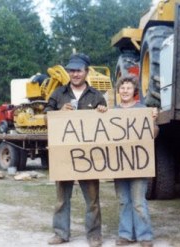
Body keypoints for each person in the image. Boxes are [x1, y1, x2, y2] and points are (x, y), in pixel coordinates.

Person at [46, 53, 107, 247]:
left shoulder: (97, 96)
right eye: (72, 70)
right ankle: (61, 233)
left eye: (79, 70)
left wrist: (103, 113)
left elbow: (107, 126)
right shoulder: (58, 93)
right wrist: (58, 113)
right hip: (64, 153)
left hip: (89, 155)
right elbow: (46, 117)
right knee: (62, 198)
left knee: (92, 199)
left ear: (86, 72)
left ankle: (94, 235)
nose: (75, 74)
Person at [114, 75, 158, 247]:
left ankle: (144, 236)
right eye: (122, 88)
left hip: (138, 164)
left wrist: (152, 121)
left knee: (139, 202)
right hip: (118, 165)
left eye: (128, 88)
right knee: (124, 201)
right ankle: (125, 234)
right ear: (118, 91)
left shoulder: (143, 110)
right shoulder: (112, 112)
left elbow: (153, 134)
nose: (125, 91)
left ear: (135, 91)